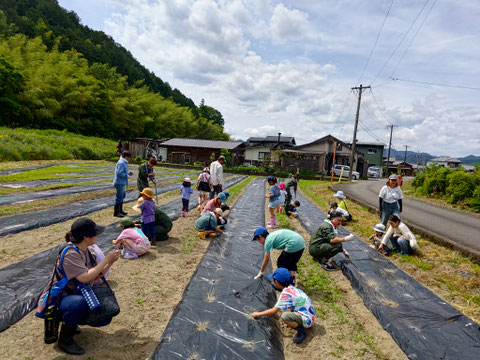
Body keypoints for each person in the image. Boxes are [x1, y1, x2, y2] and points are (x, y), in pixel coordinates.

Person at [39, 218, 121, 355]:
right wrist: (106, 259)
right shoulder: (70, 253)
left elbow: (96, 278)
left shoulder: (89, 252)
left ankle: (72, 321)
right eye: (95, 233)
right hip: (58, 299)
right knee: (78, 303)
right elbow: (84, 278)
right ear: (85, 237)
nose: (97, 236)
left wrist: (110, 263)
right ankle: (65, 340)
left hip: (75, 293)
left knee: (105, 313)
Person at [251, 268, 315, 344]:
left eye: (274, 280)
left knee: (285, 316)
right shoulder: (291, 288)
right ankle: (298, 319)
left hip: (308, 320)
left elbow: (273, 312)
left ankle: (301, 331)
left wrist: (258, 314)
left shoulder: (285, 295)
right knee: (290, 307)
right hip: (310, 314)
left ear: (277, 282)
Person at [113, 151, 132, 218]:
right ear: (126, 157)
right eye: (129, 157)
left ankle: (120, 210)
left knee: (122, 196)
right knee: (119, 197)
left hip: (122, 182)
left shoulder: (124, 162)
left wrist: (127, 173)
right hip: (119, 182)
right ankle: (116, 212)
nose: (129, 159)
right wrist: (126, 175)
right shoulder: (121, 163)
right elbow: (119, 173)